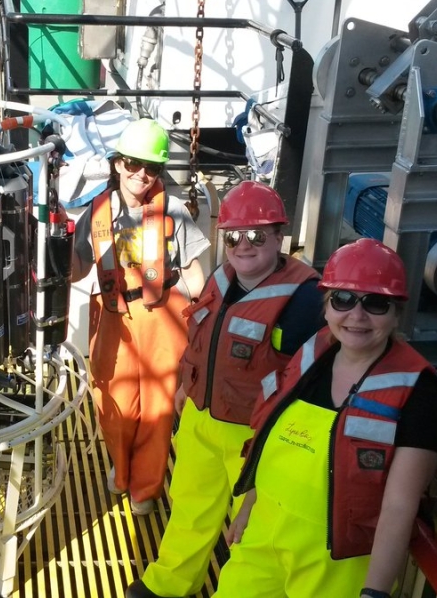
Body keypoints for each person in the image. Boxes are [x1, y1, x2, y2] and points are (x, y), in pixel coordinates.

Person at [128, 181, 325, 598]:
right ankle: (169, 584)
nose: (243, 245)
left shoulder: (305, 299)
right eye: (234, 236)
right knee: (189, 505)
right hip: (202, 417)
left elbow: (312, 381)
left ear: (279, 237)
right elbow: (201, 334)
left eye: (257, 236)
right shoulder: (223, 275)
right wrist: (185, 382)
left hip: (254, 436)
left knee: (250, 528)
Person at [221, 238, 437, 598]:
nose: (357, 316)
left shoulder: (417, 392)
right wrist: (249, 506)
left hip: (338, 564)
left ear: (396, 312)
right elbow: (271, 444)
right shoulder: (311, 356)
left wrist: (375, 591)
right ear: (326, 306)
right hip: (264, 537)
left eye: (376, 304)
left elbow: (399, 505)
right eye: (343, 300)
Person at [70, 118, 209, 516]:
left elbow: (197, 275)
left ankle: (145, 487)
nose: (141, 174)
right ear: (117, 164)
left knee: (157, 409)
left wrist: (195, 307)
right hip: (113, 315)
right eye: (132, 163)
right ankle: (121, 466)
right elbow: (78, 269)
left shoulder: (176, 211)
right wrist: (51, 254)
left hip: (164, 316)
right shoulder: (95, 213)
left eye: (152, 167)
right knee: (114, 403)